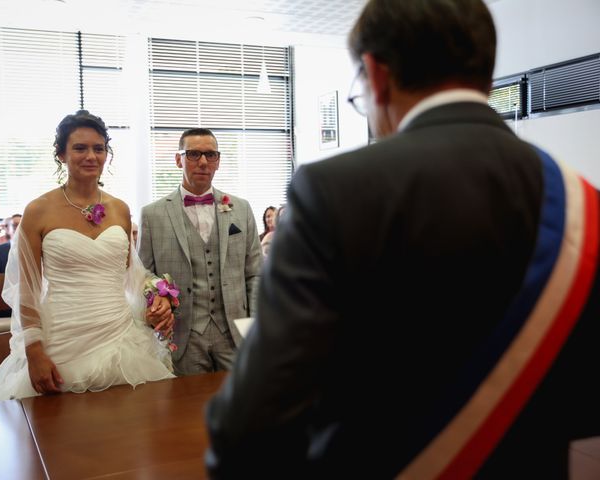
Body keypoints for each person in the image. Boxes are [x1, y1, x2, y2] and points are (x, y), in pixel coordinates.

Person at [205, 1, 600, 478]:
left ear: (376, 75)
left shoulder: (332, 190)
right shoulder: (580, 200)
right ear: (486, 74)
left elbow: (253, 422)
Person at [0, 110, 175, 402]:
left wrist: (157, 296)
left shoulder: (120, 209)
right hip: (63, 340)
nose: (91, 156)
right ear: (61, 154)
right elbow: (28, 290)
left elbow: (131, 276)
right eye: (80, 148)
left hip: (121, 337)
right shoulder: (38, 211)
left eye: (99, 149)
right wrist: (34, 350)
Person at [139, 128, 262, 376]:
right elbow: (143, 274)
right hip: (183, 335)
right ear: (178, 160)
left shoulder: (241, 208)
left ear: (218, 161)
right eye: (193, 154)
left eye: (210, 154)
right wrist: (158, 298)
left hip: (235, 334)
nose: (203, 162)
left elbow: (255, 274)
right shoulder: (152, 214)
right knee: (188, 409)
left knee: (243, 404)